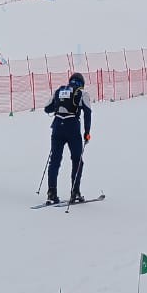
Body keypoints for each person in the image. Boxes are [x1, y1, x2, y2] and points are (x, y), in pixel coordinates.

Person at [42, 71, 93, 205]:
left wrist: (60, 106)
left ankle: (52, 192)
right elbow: (87, 112)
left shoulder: (59, 91)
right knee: (77, 160)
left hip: (57, 127)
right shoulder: (82, 93)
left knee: (55, 160)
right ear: (81, 84)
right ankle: (75, 192)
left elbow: (47, 108)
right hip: (72, 128)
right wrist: (87, 132)